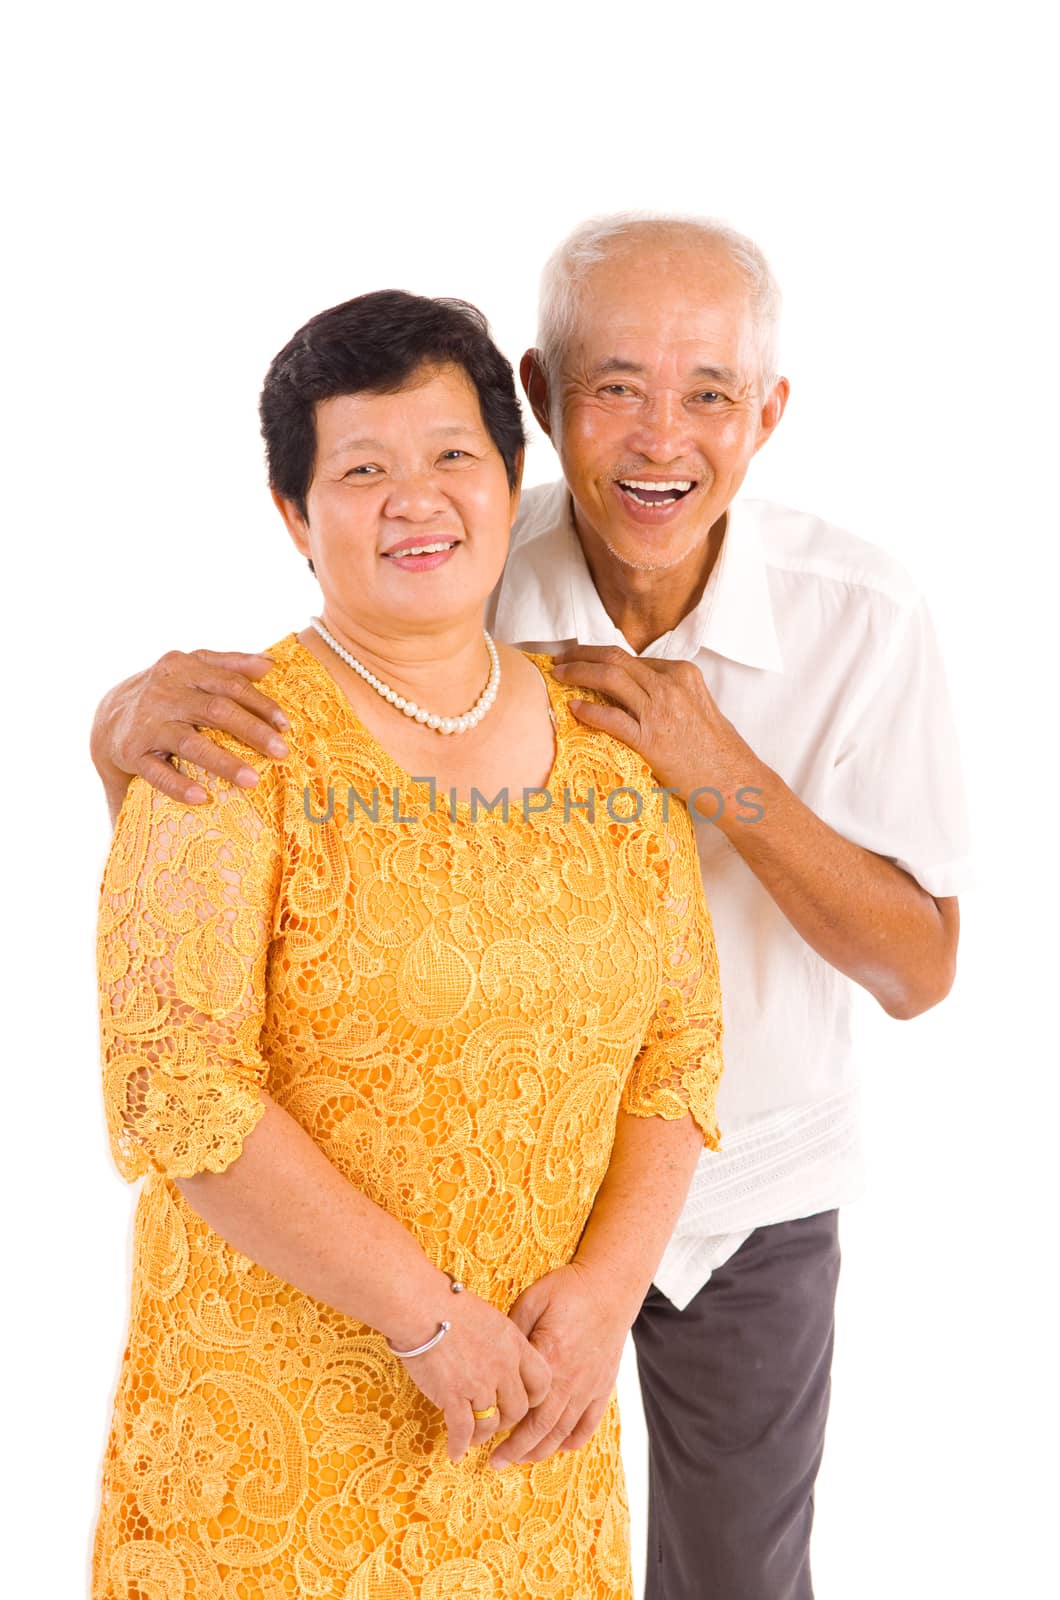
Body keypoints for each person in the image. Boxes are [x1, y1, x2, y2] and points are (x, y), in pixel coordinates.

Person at [91, 214, 972, 1600]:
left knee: (737, 1575)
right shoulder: (468, 551)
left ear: (772, 411)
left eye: (710, 394)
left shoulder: (854, 613)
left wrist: (720, 774)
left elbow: (916, 972)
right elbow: (313, 707)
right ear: (545, 406)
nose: (661, 438)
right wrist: (120, 725)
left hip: (745, 1184)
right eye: (615, 387)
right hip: (438, 1248)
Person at [90, 288, 725, 1600]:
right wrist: (428, 1321)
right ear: (293, 516)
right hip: (281, 1456)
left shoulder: (610, 750)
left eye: (452, 458)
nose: (416, 499)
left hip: (537, 1435)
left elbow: (679, 1054)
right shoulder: (221, 742)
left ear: (510, 481)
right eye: (362, 469)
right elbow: (180, 1092)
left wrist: (606, 1298)